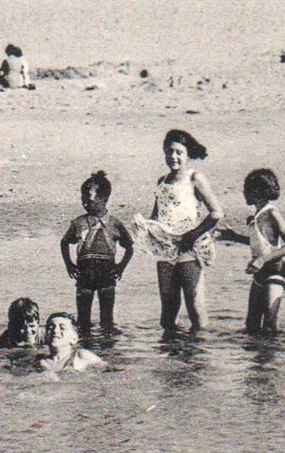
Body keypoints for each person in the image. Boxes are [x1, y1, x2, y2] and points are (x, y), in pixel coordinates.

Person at [132, 129, 224, 334]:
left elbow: (217, 213)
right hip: (166, 249)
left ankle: (199, 359)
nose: (174, 157)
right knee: (167, 313)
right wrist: (145, 226)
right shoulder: (162, 181)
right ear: (164, 152)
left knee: (195, 309)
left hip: (189, 249)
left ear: (188, 154)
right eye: (169, 151)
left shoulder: (195, 178)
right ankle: (173, 358)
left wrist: (192, 235)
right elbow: (157, 216)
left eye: (179, 152)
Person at [216, 168, 285, 334]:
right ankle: (259, 358)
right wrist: (234, 237)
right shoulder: (255, 216)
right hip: (260, 274)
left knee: (269, 324)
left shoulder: (272, 213)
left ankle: (270, 358)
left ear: (257, 192)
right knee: (251, 325)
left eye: (246, 190)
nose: (244, 193)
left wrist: (261, 260)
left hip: (276, 272)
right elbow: (260, 244)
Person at [60, 171, 135, 334]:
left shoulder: (114, 223)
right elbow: (64, 242)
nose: (85, 203)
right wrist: (69, 265)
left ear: (104, 199)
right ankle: (84, 346)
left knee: (107, 320)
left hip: (107, 275)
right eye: (83, 199)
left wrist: (121, 267)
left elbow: (129, 246)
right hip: (84, 274)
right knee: (83, 320)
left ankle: (107, 351)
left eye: (89, 200)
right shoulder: (78, 223)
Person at [40, 313, 107, 379]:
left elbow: (107, 371)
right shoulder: (40, 362)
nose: (55, 331)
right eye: (51, 327)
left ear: (74, 338)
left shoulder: (81, 356)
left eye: (62, 328)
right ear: (45, 336)